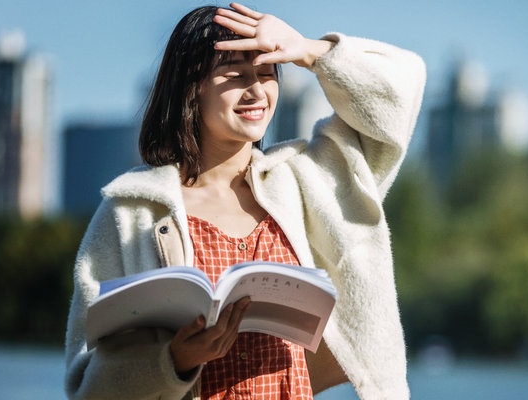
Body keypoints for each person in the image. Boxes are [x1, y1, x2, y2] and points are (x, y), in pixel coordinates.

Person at [64, 3, 425, 400]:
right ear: (191, 87)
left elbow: (403, 89)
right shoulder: (131, 212)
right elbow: (86, 386)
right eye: (235, 76)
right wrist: (174, 361)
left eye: (268, 74)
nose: (256, 91)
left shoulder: (310, 180)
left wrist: (307, 50)